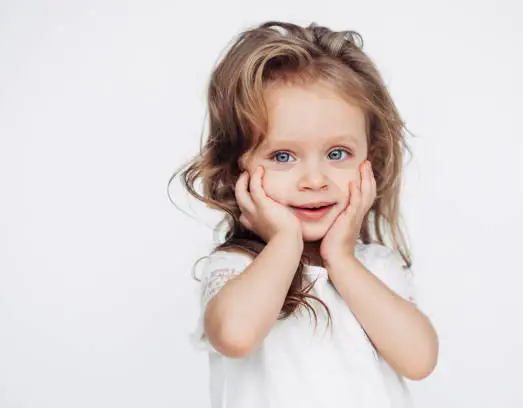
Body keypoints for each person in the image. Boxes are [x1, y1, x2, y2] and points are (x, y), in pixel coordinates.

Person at [176, 20, 438, 408]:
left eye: (337, 154)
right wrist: (285, 241)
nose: (315, 180)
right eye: (283, 156)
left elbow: (419, 360)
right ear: (237, 170)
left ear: (371, 160)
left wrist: (342, 260)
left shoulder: (375, 267)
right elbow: (234, 335)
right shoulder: (236, 267)